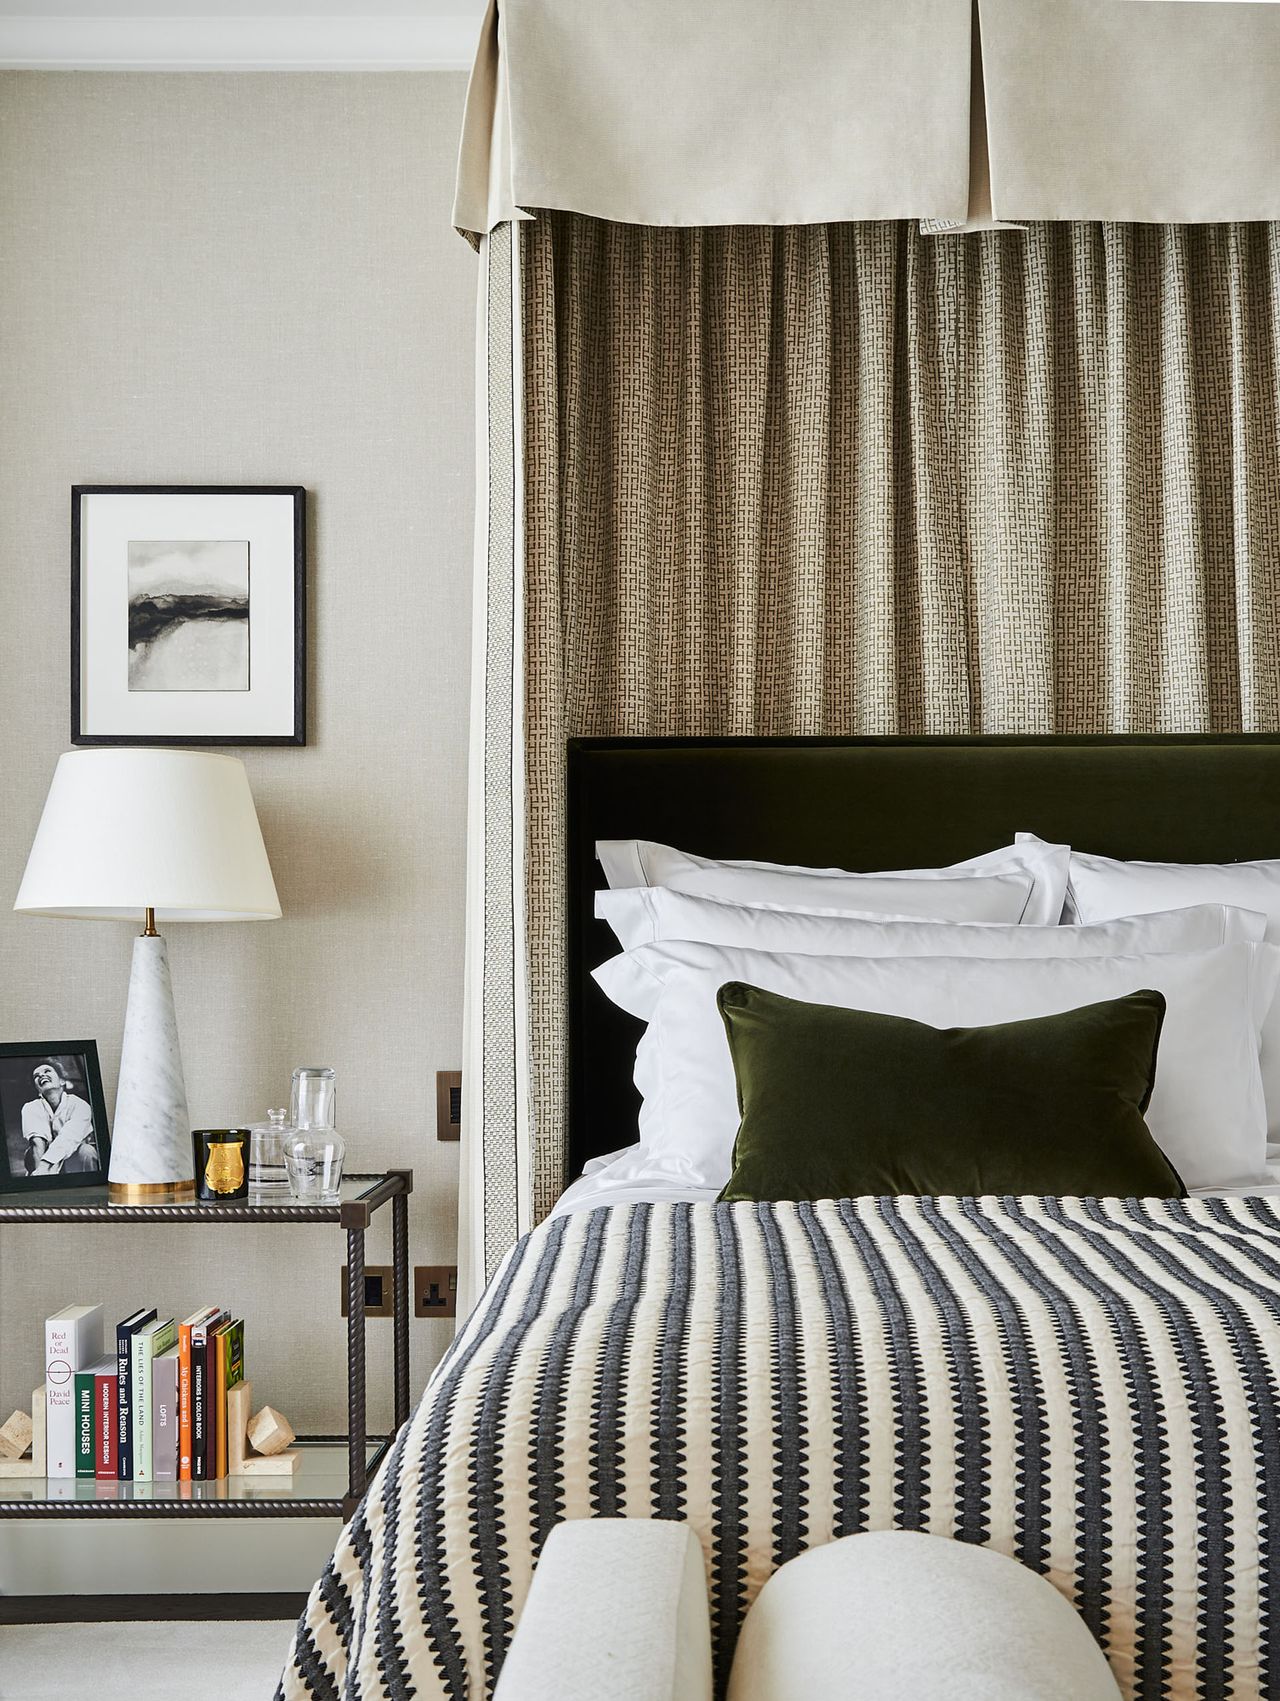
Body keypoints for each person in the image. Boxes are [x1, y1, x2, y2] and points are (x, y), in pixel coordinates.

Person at [20, 1059, 98, 1175]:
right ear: (37, 1089)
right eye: (36, 1076)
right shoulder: (30, 1107)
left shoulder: (80, 1105)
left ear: (62, 1080)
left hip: (73, 1158)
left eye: (47, 1071)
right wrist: (41, 1176)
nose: (41, 1075)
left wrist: (45, 1165)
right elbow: (37, 1142)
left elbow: (69, 1137)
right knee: (30, 1152)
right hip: (42, 1163)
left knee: (87, 1151)